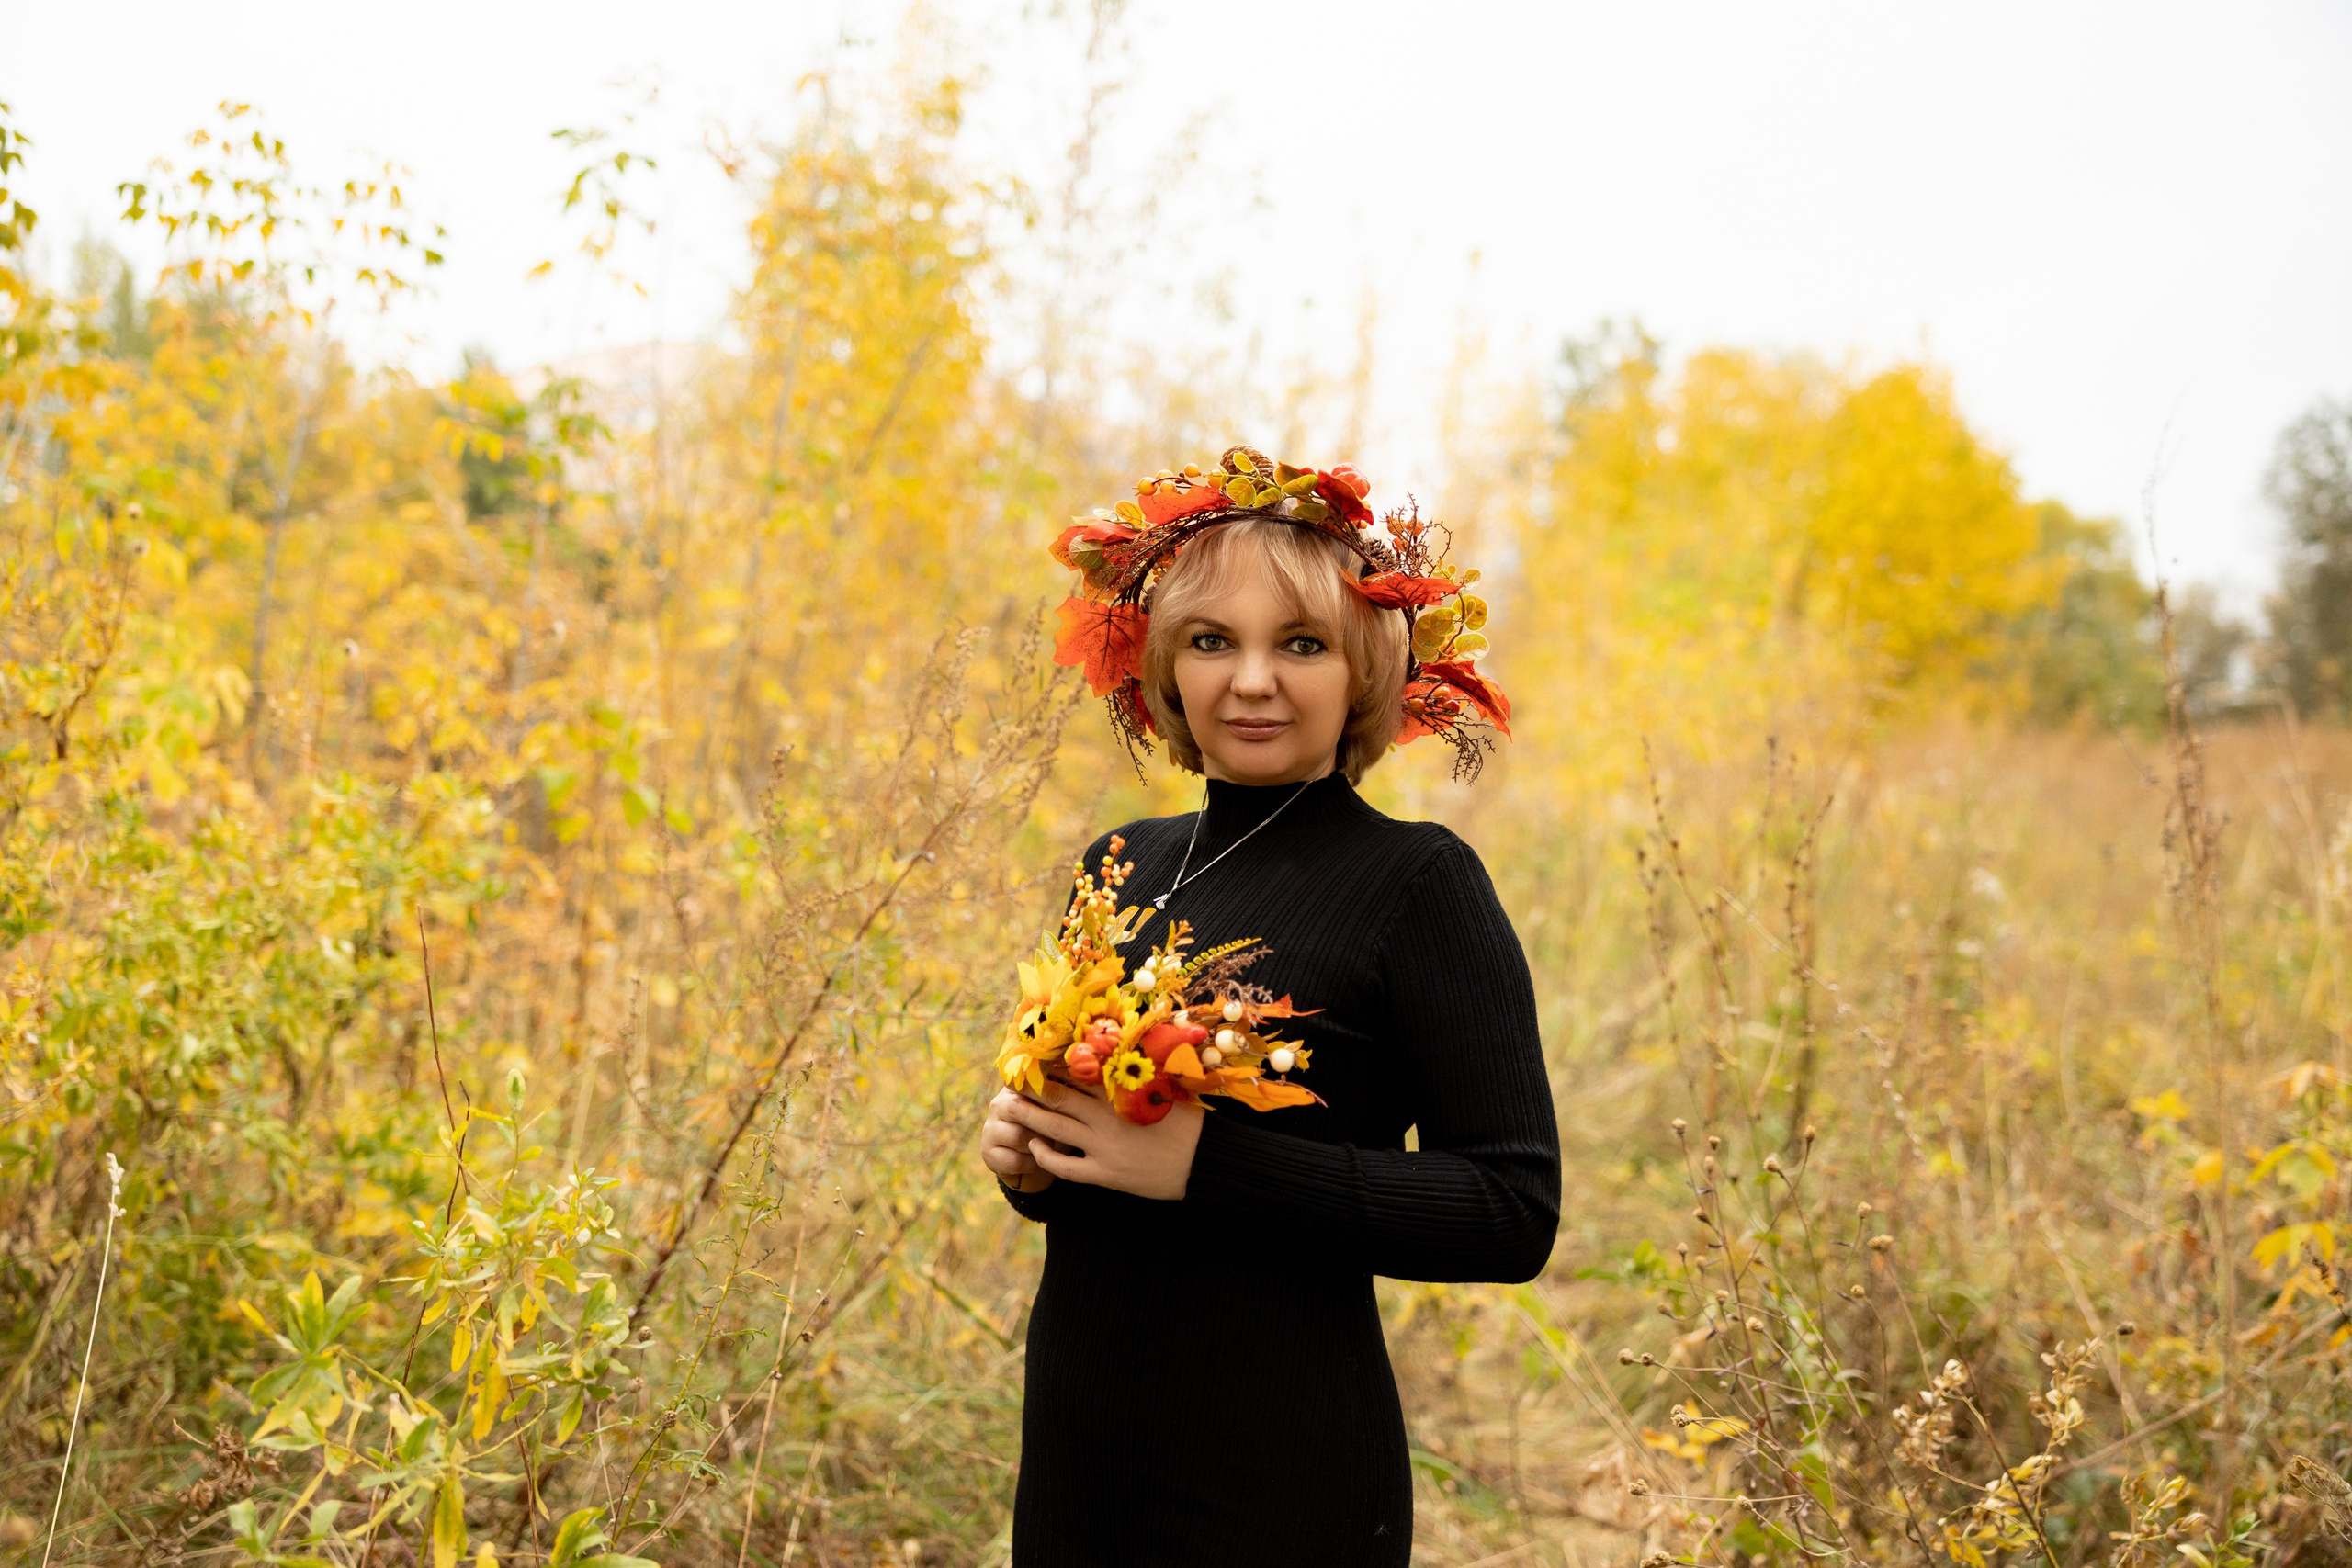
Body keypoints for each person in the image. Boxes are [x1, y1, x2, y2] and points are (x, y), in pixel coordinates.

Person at [980, 449, 1560, 1567]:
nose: (1252, 681)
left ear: (1362, 672)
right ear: (1164, 668)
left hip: (1278, 1473)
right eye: (1212, 642)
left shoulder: (1418, 884)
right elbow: (1091, 1183)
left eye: (1300, 644)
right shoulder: (1121, 864)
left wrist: (1209, 1165)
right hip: (1080, 1450)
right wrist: (1030, 1159)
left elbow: (1509, 1208)